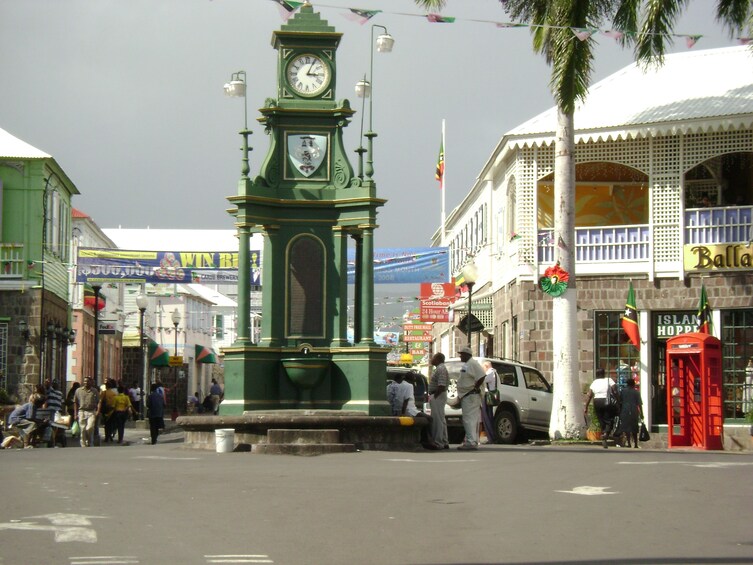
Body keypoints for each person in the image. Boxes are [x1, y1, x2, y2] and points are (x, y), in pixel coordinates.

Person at [456, 346, 486, 450]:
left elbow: (482, 376)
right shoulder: (468, 365)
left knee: (469, 419)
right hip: (467, 395)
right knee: (469, 419)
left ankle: (471, 442)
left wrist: (475, 388)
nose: (460, 356)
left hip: (471, 395)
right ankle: (470, 440)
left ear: (467, 355)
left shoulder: (473, 364)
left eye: (462, 354)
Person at [398, 372, 436, 449]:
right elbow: (406, 399)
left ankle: (426, 439)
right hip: (410, 410)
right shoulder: (409, 386)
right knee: (429, 419)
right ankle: (428, 440)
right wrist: (403, 413)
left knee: (424, 419)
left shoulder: (400, 385)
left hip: (408, 409)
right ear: (411, 379)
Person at [584, 368, 619, 449]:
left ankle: (603, 434)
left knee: (601, 419)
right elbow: (615, 390)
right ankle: (606, 433)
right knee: (609, 419)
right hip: (606, 401)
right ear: (604, 374)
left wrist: (586, 407)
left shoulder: (594, 382)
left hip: (597, 401)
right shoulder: (608, 380)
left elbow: (589, 395)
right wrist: (618, 400)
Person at [428, 352, 449, 449]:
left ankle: (438, 442)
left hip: (438, 395)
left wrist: (435, 396)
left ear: (438, 359)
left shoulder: (441, 368)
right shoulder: (440, 368)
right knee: (441, 419)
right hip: (438, 395)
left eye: (434, 358)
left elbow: (441, 385)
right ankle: (444, 441)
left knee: (437, 420)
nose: (432, 359)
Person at [74, 376, 100, 448]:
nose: (86, 383)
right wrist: (75, 414)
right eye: (85, 381)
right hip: (82, 411)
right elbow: (75, 402)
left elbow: (99, 401)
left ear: (91, 382)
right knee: (82, 429)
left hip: (91, 411)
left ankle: (90, 441)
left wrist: (98, 411)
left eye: (88, 381)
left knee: (90, 427)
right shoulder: (78, 390)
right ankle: (83, 444)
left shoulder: (94, 391)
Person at [618, 378, 643, 448]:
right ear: (633, 384)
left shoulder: (622, 391)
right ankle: (635, 444)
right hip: (634, 411)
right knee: (634, 427)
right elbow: (640, 404)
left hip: (624, 410)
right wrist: (642, 414)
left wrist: (619, 411)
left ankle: (628, 442)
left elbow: (619, 401)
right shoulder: (636, 392)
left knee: (626, 427)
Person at [481, 360, 499, 444]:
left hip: (487, 396)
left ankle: (491, 437)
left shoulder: (490, 373)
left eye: (483, 367)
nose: (483, 369)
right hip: (489, 395)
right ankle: (491, 437)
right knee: (488, 416)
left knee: (487, 416)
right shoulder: (494, 373)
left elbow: (483, 380)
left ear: (486, 366)